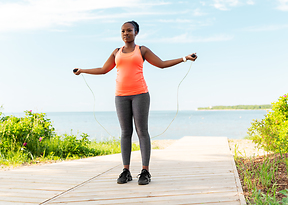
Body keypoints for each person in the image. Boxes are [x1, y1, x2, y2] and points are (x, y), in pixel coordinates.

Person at [73, 21, 197, 185]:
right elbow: (103, 70)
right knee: (125, 132)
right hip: (120, 96)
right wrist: (82, 70)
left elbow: (161, 64)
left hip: (140, 95)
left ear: (136, 32)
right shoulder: (116, 52)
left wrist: (184, 58)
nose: (126, 33)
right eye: (123, 31)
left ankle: (145, 171)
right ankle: (126, 171)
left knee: (142, 131)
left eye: (129, 30)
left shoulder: (142, 50)